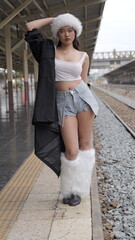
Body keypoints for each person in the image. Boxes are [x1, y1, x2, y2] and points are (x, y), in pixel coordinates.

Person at [25, 13, 99, 206]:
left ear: (76, 33)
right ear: (57, 33)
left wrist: (89, 102)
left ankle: (79, 190)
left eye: (70, 30)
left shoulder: (83, 56)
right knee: (72, 149)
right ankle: (68, 191)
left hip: (83, 99)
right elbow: (30, 26)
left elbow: (84, 80)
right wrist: (53, 19)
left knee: (85, 146)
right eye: (62, 30)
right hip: (61, 101)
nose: (67, 34)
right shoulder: (48, 50)